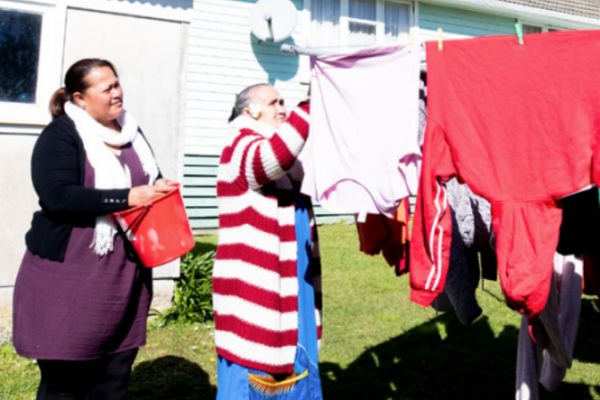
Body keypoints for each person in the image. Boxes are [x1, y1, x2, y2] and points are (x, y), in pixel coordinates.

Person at [12, 58, 172, 400]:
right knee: (64, 382)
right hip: (69, 272)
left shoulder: (132, 131)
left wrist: (159, 188)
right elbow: (57, 196)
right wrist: (127, 197)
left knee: (113, 376)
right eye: (106, 88)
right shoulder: (61, 135)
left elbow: (148, 177)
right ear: (80, 99)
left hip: (124, 269)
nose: (117, 92)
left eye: (117, 83)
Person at [212, 84, 323, 399]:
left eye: (284, 102)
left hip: (292, 285)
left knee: (294, 363)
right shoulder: (240, 144)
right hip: (257, 291)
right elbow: (271, 159)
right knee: (256, 369)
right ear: (250, 112)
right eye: (273, 103)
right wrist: (311, 104)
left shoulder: (284, 161)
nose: (283, 109)